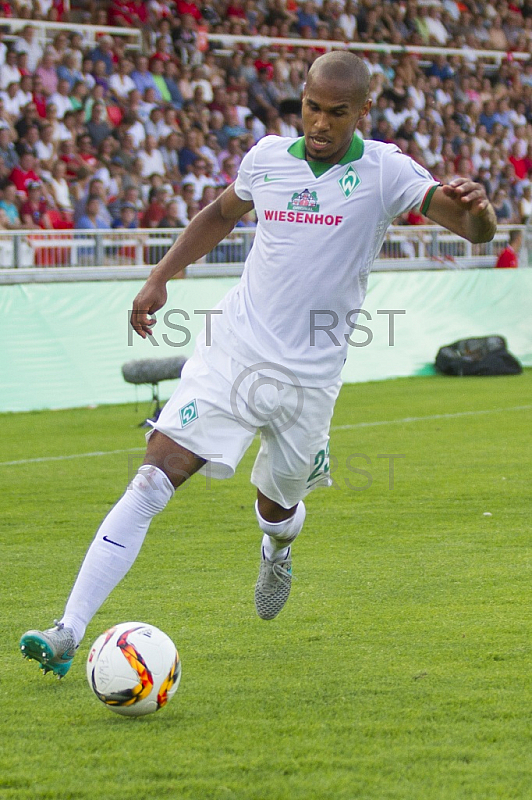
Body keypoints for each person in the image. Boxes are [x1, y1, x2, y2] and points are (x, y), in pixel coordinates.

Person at [20, 52, 497, 678]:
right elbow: (220, 214)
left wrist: (479, 208)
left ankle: (276, 549)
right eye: (311, 108)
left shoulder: (387, 171)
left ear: (362, 113)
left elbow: (473, 230)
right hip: (233, 352)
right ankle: (67, 630)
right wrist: (161, 277)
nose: (320, 124)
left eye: (336, 113)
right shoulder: (268, 158)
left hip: (309, 379)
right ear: (300, 100)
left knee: (277, 511)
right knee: (151, 479)